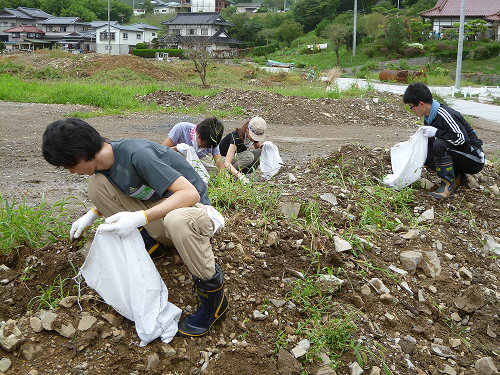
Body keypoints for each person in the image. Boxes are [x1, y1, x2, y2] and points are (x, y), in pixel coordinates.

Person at [41, 118, 228, 338]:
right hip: (163, 217)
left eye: (68, 165)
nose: (71, 172)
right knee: (97, 188)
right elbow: (130, 188)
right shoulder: (106, 165)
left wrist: (140, 217)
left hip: (195, 213)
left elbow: (190, 194)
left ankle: (214, 302)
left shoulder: (136, 153)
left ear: (80, 155)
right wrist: (92, 214)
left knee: (176, 220)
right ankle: (152, 244)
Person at [403, 82, 484, 199]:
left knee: (440, 145)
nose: (411, 110)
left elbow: (462, 140)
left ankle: (447, 188)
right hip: (462, 155)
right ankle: (458, 178)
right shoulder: (429, 117)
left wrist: (437, 133)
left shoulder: (444, 114)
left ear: (421, 104)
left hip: (474, 158)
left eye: (411, 106)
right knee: (427, 152)